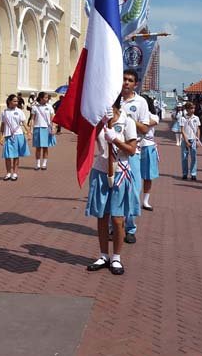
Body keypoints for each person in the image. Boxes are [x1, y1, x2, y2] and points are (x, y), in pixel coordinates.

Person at [85, 98, 138, 276]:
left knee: (117, 219)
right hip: (101, 171)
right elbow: (88, 140)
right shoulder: (99, 121)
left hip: (120, 172)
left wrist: (115, 139)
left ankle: (116, 257)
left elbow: (131, 150)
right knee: (102, 216)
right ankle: (103, 255)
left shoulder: (127, 121)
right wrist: (99, 125)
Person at [119, 69, 150, 244]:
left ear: (135, 84)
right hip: (115, 152)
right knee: (115, 190)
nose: (126, 82)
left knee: (133, 192)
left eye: (130, 80)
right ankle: (114, 226)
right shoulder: (114, 99)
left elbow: (145, 129)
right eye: (124, 79)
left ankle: (130, 228)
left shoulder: (140, 102)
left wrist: (129, 119)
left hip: (133, 152)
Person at [0, 94, 30, 181]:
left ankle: (15, 173)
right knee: (8, 156)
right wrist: (1, 137)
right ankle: (8, 173)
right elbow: (2, 125)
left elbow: (24, 123)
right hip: (8, 136)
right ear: (9, 101)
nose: (16, 103)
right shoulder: (4, 112)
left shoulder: (19, 111)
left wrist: (29, 132)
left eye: (17, 101)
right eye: (14, 101)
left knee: (16, 156)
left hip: (18, 135)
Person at [139, 94, 160, 211]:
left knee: (148, 176)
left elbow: (145, 126)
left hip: (148, 146)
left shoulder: (153, 116)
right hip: (135, 145)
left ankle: (145, 201)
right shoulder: (135, 113)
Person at [29, 92, 56, 171]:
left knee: (45, 147)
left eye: (47, 98)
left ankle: (44, 164)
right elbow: (32, 119)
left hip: (46, 128)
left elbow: (52, 118)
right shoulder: (35, 107)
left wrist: (53, 127)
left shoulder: (49, 107)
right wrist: (31, 129)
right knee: (38, 147)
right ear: (41, 98)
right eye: (45, 97)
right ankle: (37, 164)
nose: (47, 99)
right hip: (37, 128)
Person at [180, 102, 200, 181]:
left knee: (194, 157)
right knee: (184, 157)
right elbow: (182, 130)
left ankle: (193, 173)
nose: (193, 110)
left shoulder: (196, 118)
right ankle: (184, 173)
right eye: (191, 108)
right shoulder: (183, 118)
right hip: (185, 139)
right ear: (187, 109)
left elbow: (198, 129)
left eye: (194, 108)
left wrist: (197, 139)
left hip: (193, 139)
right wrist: (186, 140)